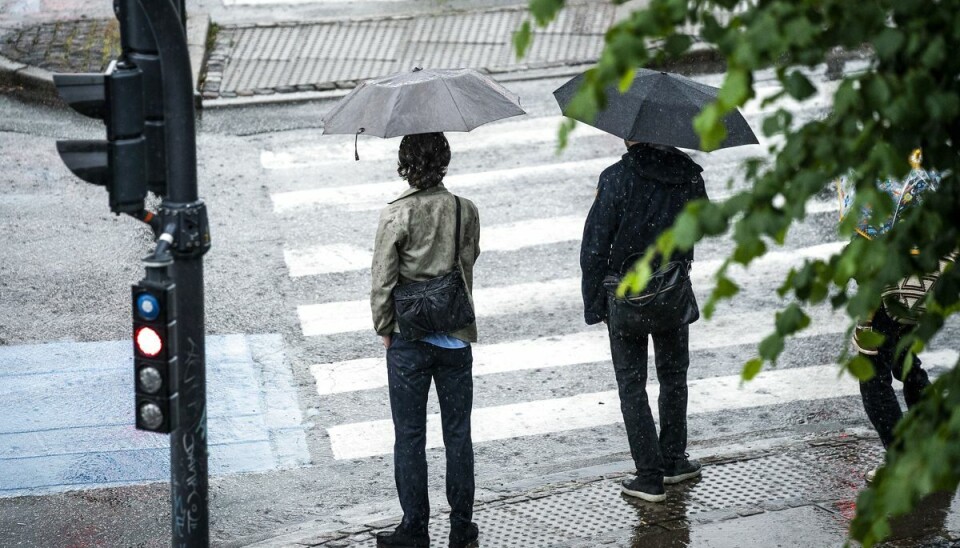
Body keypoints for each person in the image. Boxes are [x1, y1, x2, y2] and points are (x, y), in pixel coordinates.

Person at [370, 132, 481, 548]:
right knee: (458, 434)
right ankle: (461, 528)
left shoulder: (396, 214)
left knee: (410, 435)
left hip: (408, 342)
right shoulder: (463, 209)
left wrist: (385, 328)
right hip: (454, 339)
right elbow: (467, 263)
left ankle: (414, 529)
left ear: (404, 164)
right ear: (445, 161)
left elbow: (383, 280)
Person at [580, 141, 707, 502]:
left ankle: (649, 476)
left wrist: (595, 306)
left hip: (626, 295)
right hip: (671, 289)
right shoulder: (688, 175)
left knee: (632, 385)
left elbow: (594, 248)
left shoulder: (615, 179)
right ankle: (673, 460)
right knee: (673, 375)